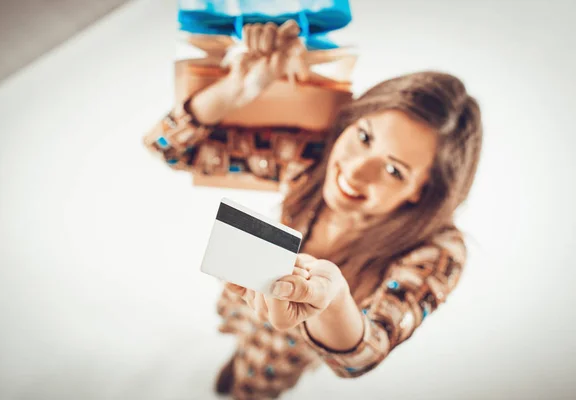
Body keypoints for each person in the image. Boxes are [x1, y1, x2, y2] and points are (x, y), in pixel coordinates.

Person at [148, 20, 482, 400]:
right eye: (364, 137)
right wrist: (236, 88)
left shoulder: (438, 253)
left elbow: (362, 355)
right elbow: (169, 146)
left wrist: (334, 299)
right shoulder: (311, 159)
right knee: (236, 336)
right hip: (245, 299)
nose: (355, 172)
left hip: (287, 351)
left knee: (250, 388)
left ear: (423, 192)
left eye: (393, 170)